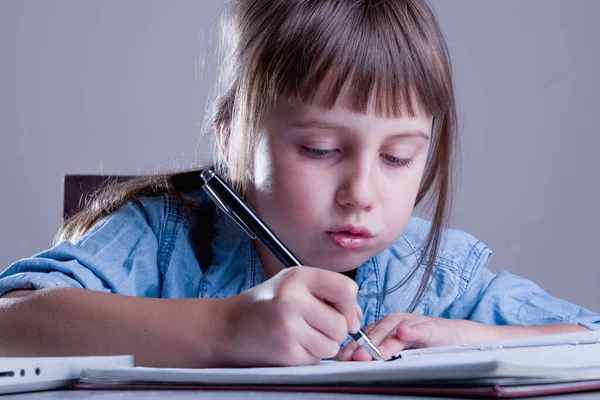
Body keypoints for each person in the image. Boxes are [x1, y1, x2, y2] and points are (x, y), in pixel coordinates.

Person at [0, 0, 598, 368]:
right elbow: (12, 322)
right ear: (232, 133)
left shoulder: (433, 273)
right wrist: (224, 329)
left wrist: (469, 338)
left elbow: (588, 337)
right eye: (320, 149)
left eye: (397, 157)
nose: (361, 191)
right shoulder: (162, 237)